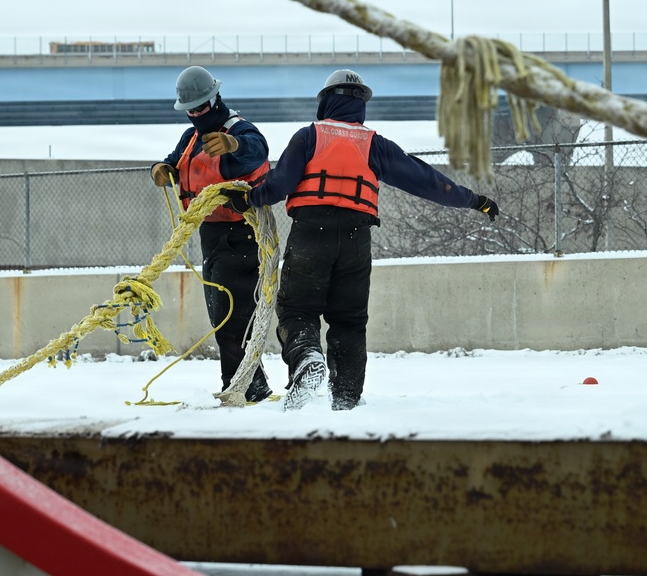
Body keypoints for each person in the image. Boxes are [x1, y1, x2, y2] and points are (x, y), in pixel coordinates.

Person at [222, 69, 499, 411]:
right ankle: (347, 396)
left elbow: (279, 185)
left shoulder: (309, 136)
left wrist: (248, 199)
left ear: (325, 101)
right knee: (350, 319)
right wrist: (475, 200)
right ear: (360, 105)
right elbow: (426, 180)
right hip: (356, 238)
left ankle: (308, 358)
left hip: (311, 232)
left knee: (297, 309)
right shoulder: (374, 145)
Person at [149, 66, 274, 403]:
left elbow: (257, 150)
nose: (196, 115)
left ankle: (242, 386)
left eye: (202, 108)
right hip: (211, 237)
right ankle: (248, 384)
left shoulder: (240, 130)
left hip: (241, 235)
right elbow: (175, 162)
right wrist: (161, 169)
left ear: (216, 99)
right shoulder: (191, 138)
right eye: (190, 110)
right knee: (223, 317)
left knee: (233, 317)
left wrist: (233, 144)